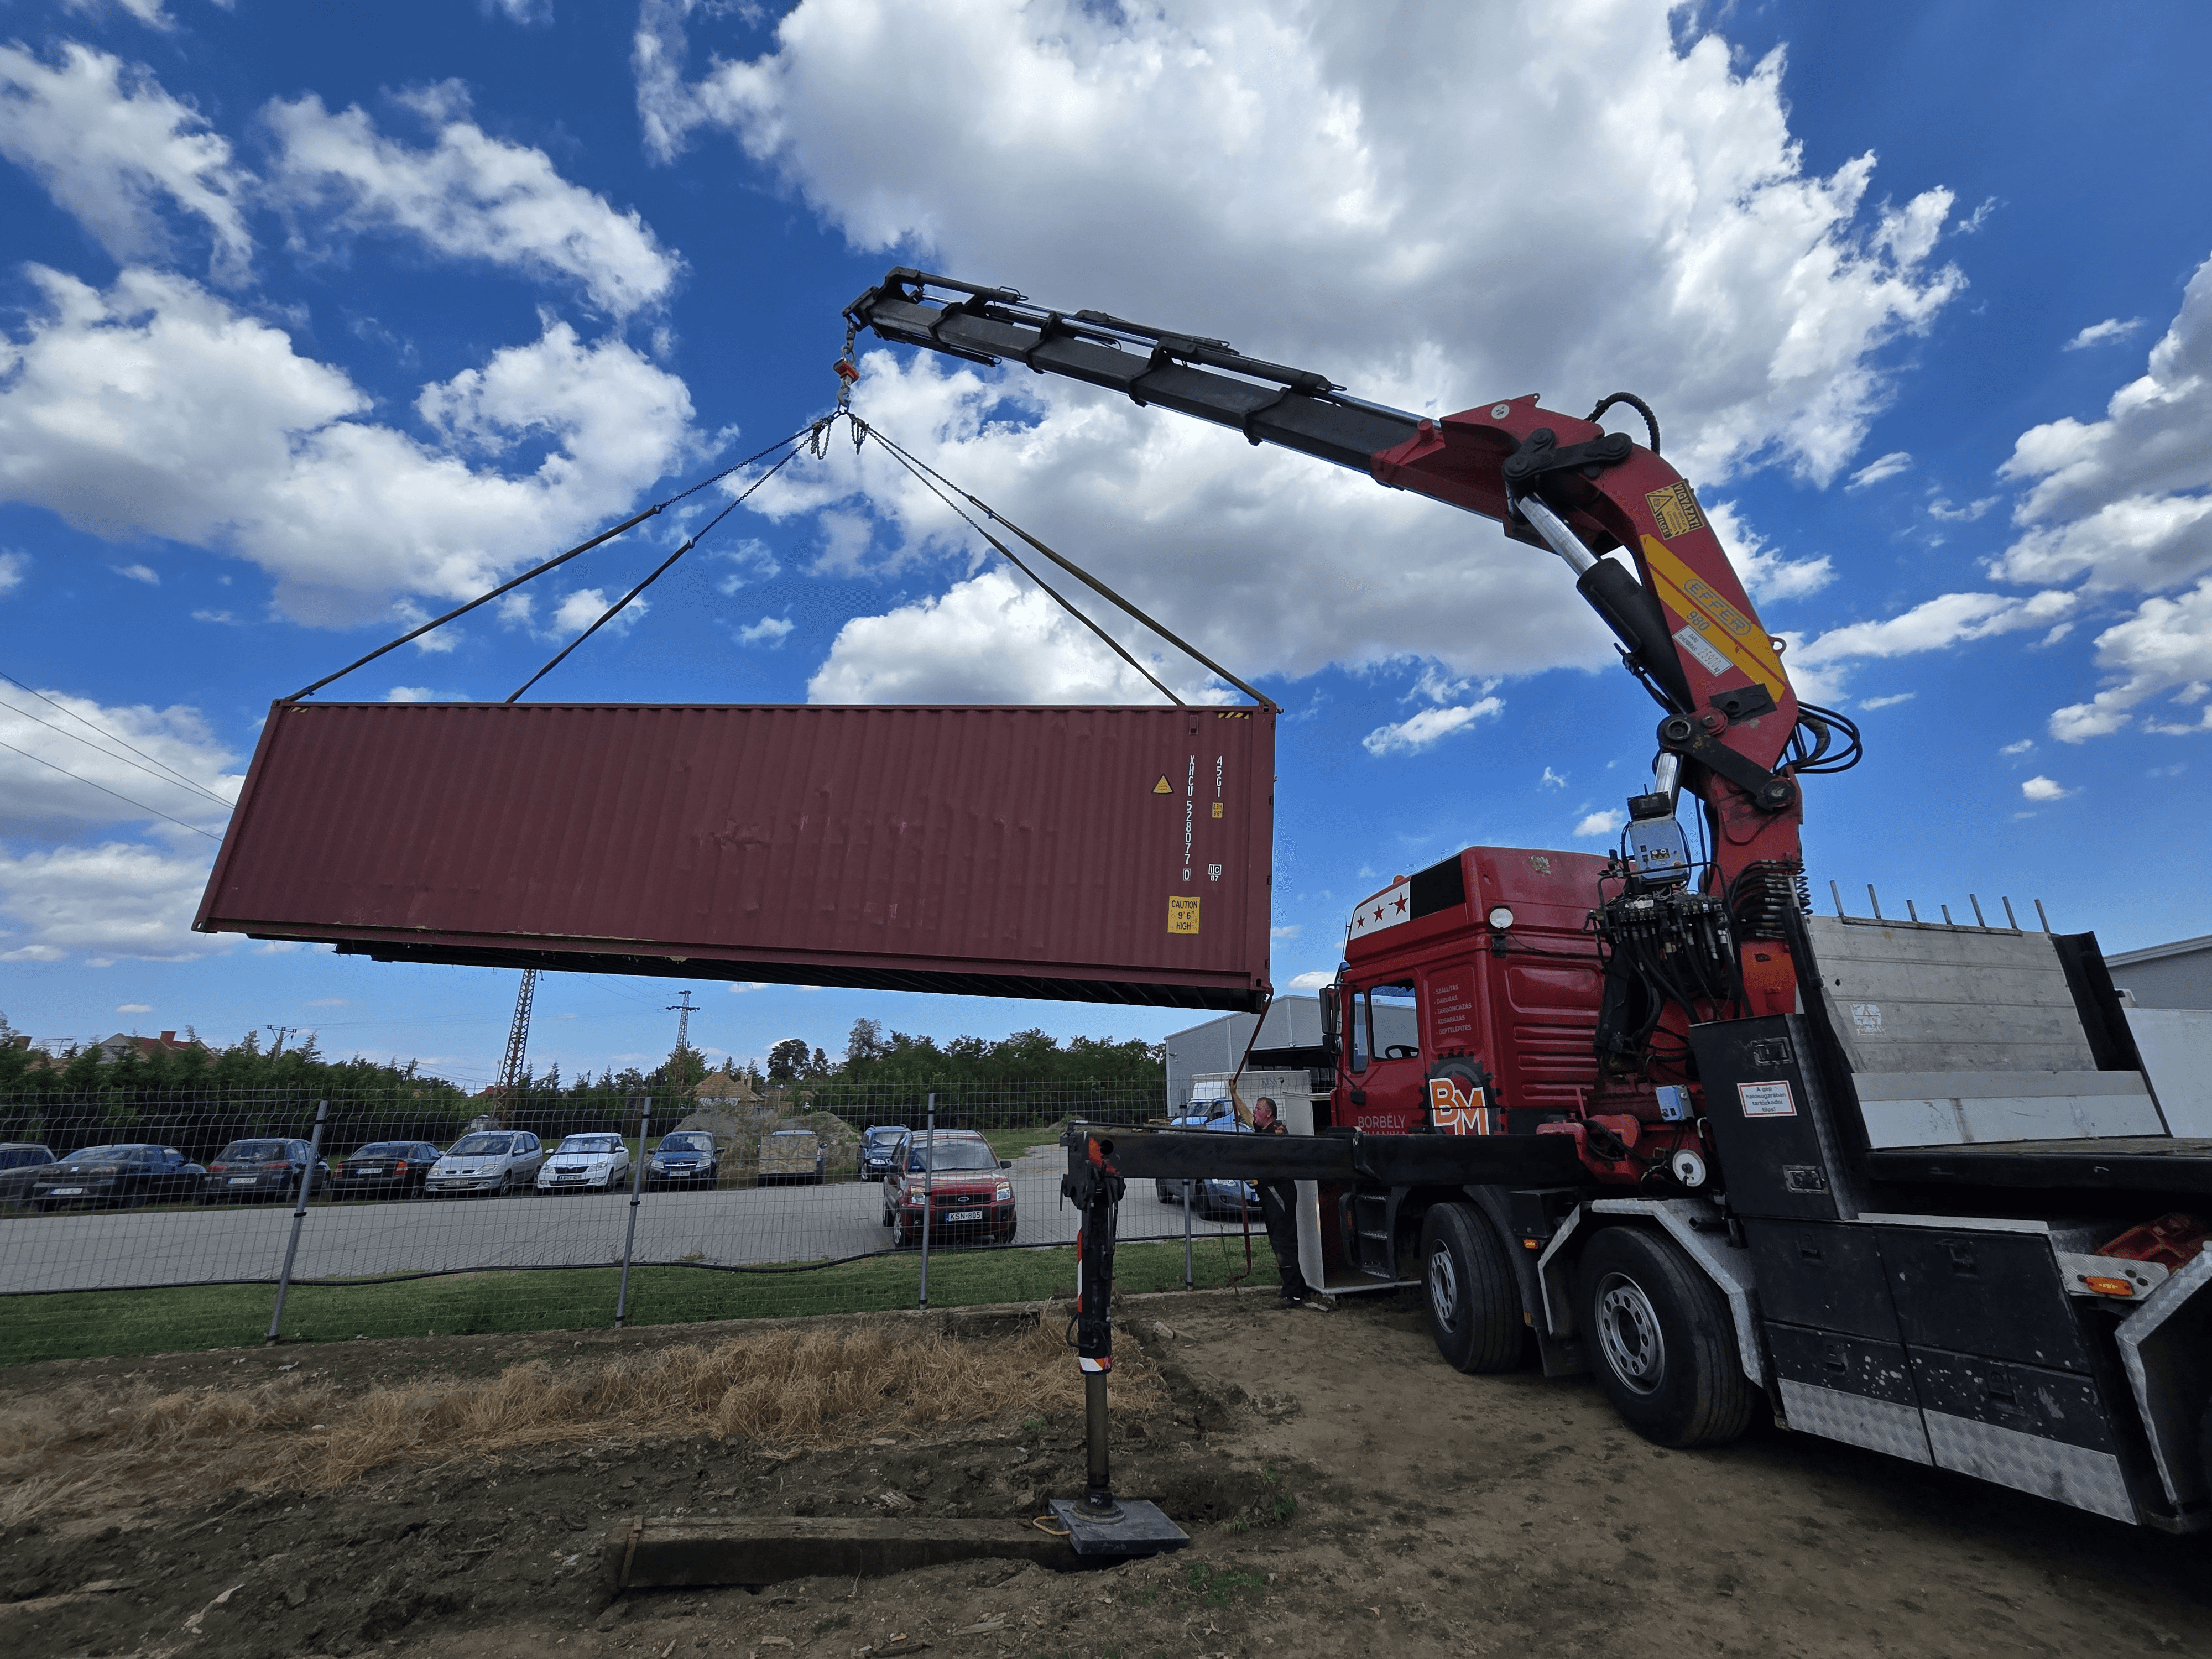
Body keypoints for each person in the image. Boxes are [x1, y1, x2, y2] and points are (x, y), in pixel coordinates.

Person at [1250, 1097, 1311, 1305]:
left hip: (1279, 1194)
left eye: (1258, 1109)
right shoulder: (1261, 1130)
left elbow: (1281, 1146)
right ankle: (1300, 1287)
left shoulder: (1277, 1131)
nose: (1254, 1111)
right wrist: (1234, 1094)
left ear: (1269, 1114)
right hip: (1269, 1194)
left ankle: (1292, 1293)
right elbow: (1246, 1116)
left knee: (1283, 1242)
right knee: (1279, 1240)